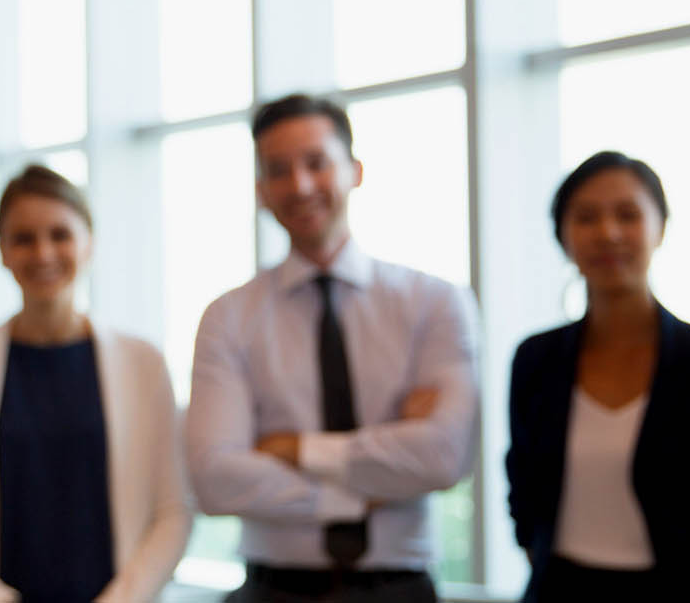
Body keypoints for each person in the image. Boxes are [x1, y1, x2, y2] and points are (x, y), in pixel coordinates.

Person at [185, 93, 481, 602]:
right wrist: (360, 487)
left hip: (399, 590)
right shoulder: (227, 317)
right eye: (278, 170)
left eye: (316, 163)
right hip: (271, 591)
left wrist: (293, 449)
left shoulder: (434, 302)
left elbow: (443, 456)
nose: (300, 185)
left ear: (355, 171)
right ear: (260, 190)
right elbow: (215, 480)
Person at [505, 151, 690, 602]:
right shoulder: (536, 360)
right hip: (562, 588)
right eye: (586, 217)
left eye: (627, 214)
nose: (608, 233)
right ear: (563, 235)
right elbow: (523, 487)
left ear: (661, 227)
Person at [0, 165, 191, 603]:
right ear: (2, 250)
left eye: (60, 235)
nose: (43, 253)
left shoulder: (144, 363)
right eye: (23, 238)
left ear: (89, 242)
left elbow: (172, 511)